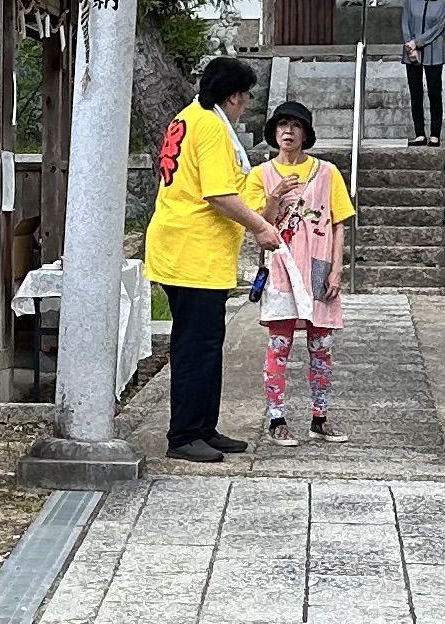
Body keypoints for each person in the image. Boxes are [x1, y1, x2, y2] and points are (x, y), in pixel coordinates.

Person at [143, 56, 281, 466]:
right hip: (192, 250)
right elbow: (218, 195)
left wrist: (267, 206)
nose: (245, 106)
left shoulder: (190, 117)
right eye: (246, 98)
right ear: (234, 96)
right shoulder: (211, 128)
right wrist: (261, 226)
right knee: (195, 346)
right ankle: (184, 433)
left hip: (188, 246)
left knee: (207, 344)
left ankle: (203, 427)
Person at [243, 103, 353, 443]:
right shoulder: (261, 175)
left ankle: (320, 416)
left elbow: (338, 223)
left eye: (295, 125)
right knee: (279, 344)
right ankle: (276, 418)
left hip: (318, 266)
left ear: (306, 133)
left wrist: (337, 270)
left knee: (322, 346)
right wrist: (275, 196)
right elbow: (257, 220)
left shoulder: (327, 172)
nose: (288, 131)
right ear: (274, 132)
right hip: (281, 266)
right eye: (282, 125)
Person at [398, 0, 445, 145]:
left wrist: (418, 43)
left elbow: (440, 25)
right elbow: (405, 21)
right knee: (415, 93)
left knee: (434, 93)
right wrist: (410, 45)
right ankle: (419, 133)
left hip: (433, 50)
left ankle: (435, 134)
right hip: (411, 51)